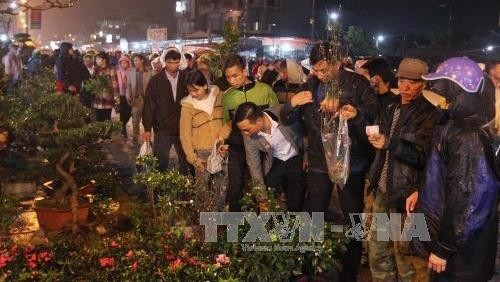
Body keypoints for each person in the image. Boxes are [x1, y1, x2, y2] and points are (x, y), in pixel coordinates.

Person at [281, 41, 379, 282]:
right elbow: (286, 118)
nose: (321, 74)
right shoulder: (311, 84)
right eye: (316, 69)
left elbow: (375, 115)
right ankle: (308, 268)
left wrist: (354, 113)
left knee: (353, 218)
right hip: (317, 160)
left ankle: (350, 272)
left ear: (338, 63)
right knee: (313, 214)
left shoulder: (358, 84)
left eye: (325, 69)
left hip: (350, 161)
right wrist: (292, 104)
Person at [417, 57, 499, 282]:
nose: (441, 100)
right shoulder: (453, 124)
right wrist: (420, 191)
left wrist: (444, 247)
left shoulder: (467, 136)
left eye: (446, 94)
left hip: (461, 259)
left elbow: (468, 199)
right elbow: (444, 176)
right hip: (452, 248)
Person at [367, 58, 441, 282]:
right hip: (382, 193)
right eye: (401, 80)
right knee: (378, 255)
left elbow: (425, 157)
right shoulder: (391, 108)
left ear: (424, 83)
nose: (406, 87)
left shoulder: (432, 115)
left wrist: (390, 143)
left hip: (409, 199)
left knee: (409, 262)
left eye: (413, 82)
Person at [222, 54, 279, 211]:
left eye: (235, 75)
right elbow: (227, 122)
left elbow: (275, 117)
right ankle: (233, 227)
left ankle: (263, 222)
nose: (232, 81)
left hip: (263, 146)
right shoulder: (227, 97)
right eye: (228, 77)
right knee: (235, 185)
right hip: (238, 146)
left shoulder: (265, 90)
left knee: (264, 183)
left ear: (245, 71)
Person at [235, 102, 305, 211]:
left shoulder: (282, 113)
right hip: (276, 161)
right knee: (265, 190)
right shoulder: (248, 136)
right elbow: (254, 165)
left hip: (297, 158)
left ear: (259, 121)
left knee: (296, 201)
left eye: (247, 129)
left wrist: (307, 155)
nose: (245, 133)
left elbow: (305, 129)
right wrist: (262, 198)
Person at [179, 70, 230, 210]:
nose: (193, 94)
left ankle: (217, 214)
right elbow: (184, 134)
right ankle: (204, 219)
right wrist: (192, 157)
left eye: (196, 90)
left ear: (205, 86)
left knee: (222, 185)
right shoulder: (187, 106)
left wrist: (223, 135)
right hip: (201, 152)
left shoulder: (220, 97)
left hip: (220, 149)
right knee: (202, 187)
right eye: (190, 91)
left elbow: (229, 120)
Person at [142, 48, 192, 175]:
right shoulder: (156, 81)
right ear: (165, 62)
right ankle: (159, 190)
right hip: (162, 128)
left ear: (179, 62)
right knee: (160, 162)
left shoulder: (186, 78)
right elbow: (149, 105)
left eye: (176, 63)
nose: (173, 66)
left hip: (182, 127)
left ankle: (184, 187)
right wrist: (147, 128)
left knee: (186, 160)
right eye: (170, 63)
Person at [126, 54, 152, 144]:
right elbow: (128, 86)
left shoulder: (149, 72)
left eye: (137, 60)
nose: (135, 62)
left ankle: (147, 139)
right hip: (136, 99)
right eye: (134, 60)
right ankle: (135, 137)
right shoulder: (131, 72)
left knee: (147, 120)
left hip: (147, 100)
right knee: (135, 120)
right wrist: (128, 95)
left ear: (142, 60)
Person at [92, 52, 118, 121]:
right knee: (98, 119)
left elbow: (115, 84)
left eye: (98, 59)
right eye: (96, 59)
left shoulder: (111, 69)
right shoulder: (96, 70)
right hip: (97, 98)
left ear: (104, 60)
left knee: (106, 119)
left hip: (107, 98)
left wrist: (116, 97)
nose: (96, 61)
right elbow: (93, 82)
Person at [117, 54, 134, 137]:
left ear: (128, 63)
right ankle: (123, 129)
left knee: (129, 112)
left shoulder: (132, 72)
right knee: (122, 112)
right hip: (121, 96)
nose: (123, 64)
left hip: (129, 96)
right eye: (122, 63)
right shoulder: (117, 72)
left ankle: (122, 125)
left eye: (125, 63)